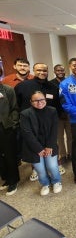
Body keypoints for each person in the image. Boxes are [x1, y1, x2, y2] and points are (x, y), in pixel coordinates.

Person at [15, 62, 61, 182]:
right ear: (33, 71)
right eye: (38, 70)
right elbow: (17, 105)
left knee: (51, 144)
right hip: (30, 122)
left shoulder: (53, 87)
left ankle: (54, 166)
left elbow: (57, 104)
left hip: (48, 123)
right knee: (33, 146)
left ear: (48, 71)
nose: (42, 72)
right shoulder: (23, 86)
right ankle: (36, 169)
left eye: (44, 70)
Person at [20, 91, 62, 196]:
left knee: (52, 166)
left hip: (49, 145)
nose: (39, 103)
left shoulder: (52, 111)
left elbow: (54, 130)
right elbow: (27, 133)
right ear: (31, 102)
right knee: (40, 170)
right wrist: (39, 149)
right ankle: (45, 184)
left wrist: (49, 146)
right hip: (34, 147)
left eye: (42, 100)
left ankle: (56, 181)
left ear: (45, 100)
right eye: (36, 101)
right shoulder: (25, 114)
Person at [0, 66, 20, 196]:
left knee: (9, 154)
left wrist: (11, 124)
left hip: (5, 127)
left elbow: (15, 109)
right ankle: (6, 177)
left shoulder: (7, 90)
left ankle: (13, 180)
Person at [50, 64, 72, 172]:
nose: (60, 72)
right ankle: (62, 155)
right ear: (54, 71)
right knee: (59, 137)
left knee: (70, 135)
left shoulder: (69, 82)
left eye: (62, 70)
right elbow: (51, 100)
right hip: (57, 115)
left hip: (69, 114)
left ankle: (70, 153)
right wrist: (59, 112)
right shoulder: (50, 84)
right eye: (58, 70)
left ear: (65, 71)